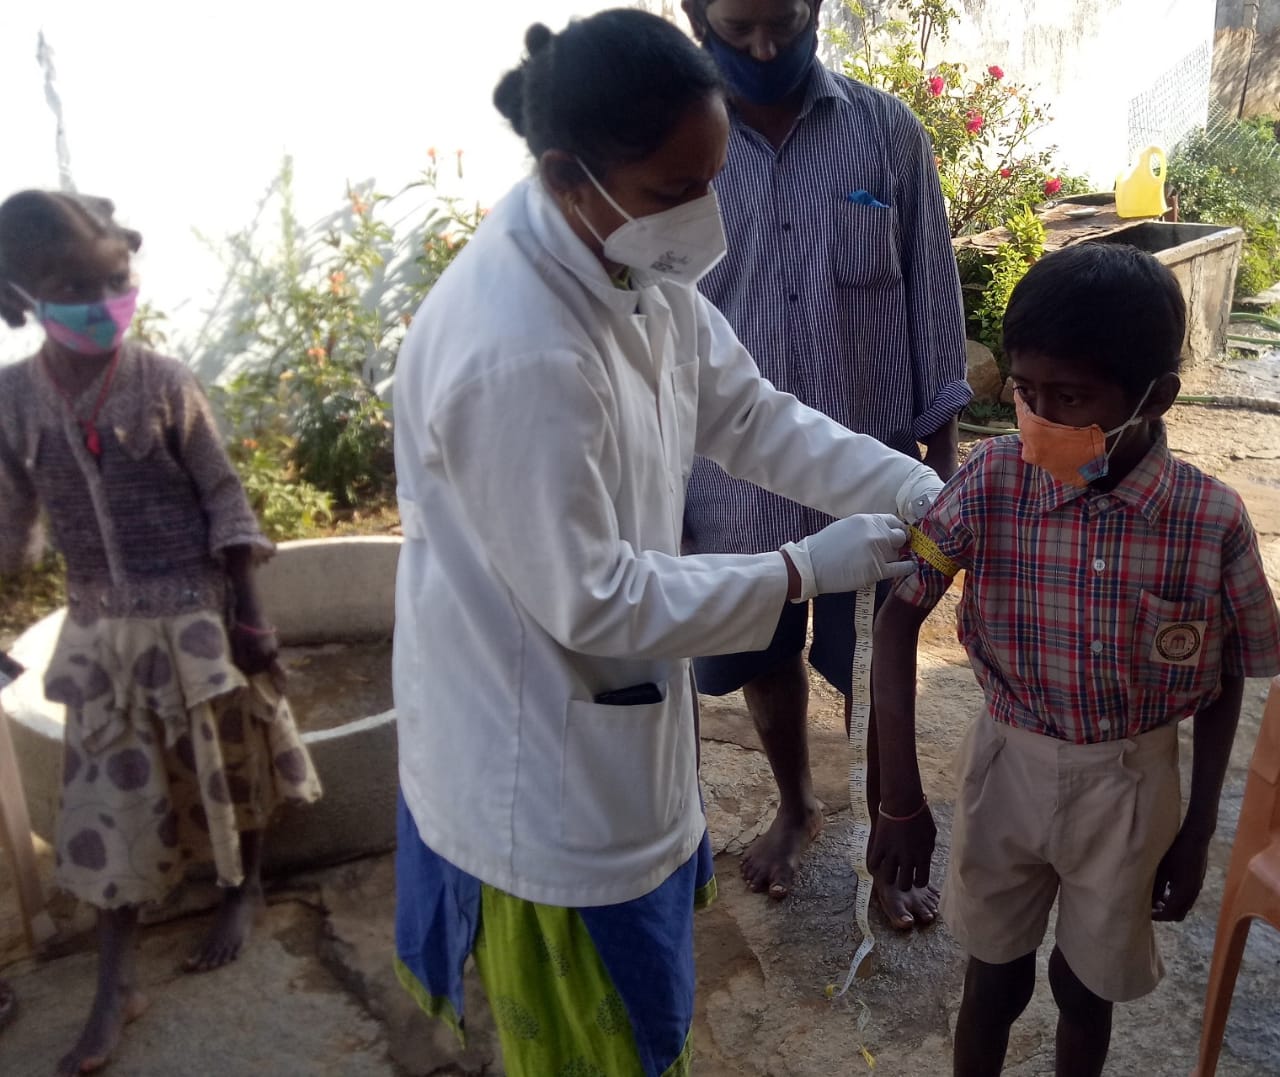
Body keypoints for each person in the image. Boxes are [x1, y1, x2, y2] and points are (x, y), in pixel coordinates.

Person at [390, 11, 947, 1076]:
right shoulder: (516, 349)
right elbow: (592, 599)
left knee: (650, 1001)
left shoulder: (626, 257)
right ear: (567, 174)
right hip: (534, 762)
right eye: (672, 192)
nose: (703, 217)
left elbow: (745, 415)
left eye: (711, 177)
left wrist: (909, 487)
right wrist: (798, 573)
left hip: (610, 724)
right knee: (599, 1041)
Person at [869, 243, 1280, 1077]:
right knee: (992, 975)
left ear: (1154, 397)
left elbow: (1229, 674)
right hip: (1006, 767)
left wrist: (1198, 828)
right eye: (1026, 392)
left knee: (1087, 988)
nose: (1040, 418)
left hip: (1131, 786)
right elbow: (896, 620)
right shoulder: (989, 481)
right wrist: (901, 796)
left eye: (1072, 397)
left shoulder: (1210, 521)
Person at [0, 191, 322, 1075]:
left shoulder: (162, 382)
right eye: (75, 284)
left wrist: (250, 612)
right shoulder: (13, 402)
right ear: (23, 295)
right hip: (102, 627)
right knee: (107, 801)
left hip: (199, 616)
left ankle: (243, 885)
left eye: (116, 277)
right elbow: (11, 527)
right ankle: (116, 981)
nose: (104, 298)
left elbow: (223, 492)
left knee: (231, 763)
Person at [680, 0, 970, 919]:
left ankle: (888, 846)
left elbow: (932, 294)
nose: (767, 45)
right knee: (756, 645)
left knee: (878, 664)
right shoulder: (677, 150)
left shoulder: (885, 133)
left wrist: (943, 460)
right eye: (739, 27)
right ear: (695, 17)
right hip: (730, 475)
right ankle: (797, 804)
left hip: (869, 456)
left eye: (787, 18)